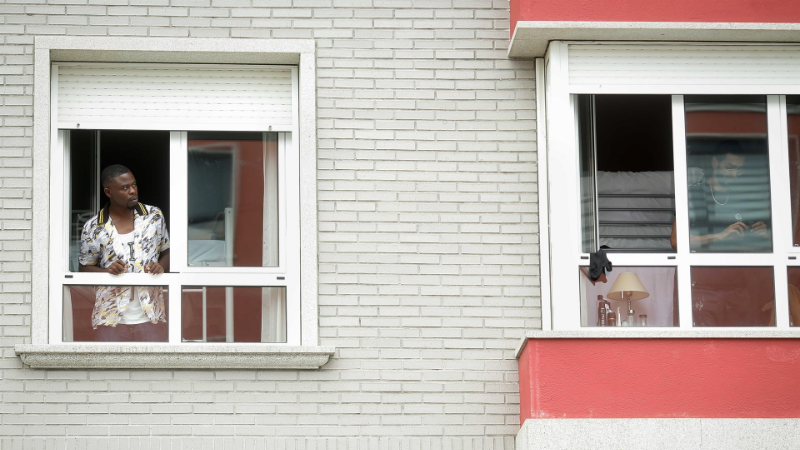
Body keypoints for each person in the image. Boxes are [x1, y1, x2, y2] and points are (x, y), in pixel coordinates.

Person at [670, 140, 773, 326]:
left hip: (738, 289)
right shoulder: (692, 195)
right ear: (715, 163)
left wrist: (764, 237)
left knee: (744, 349)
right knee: (703, 351)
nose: (734, 175)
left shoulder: (742, 199)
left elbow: (751, 247)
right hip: (702, 288)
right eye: (730, 168)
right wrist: (719, 237)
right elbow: (676, 241)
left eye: (739, 170)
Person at [79, 165, 170, 341]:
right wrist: (107, 272)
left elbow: (167, 252)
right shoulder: (93, 227)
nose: (133, 191)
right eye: (125, 188)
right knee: (109, 369)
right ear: (108, 192)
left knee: (155, 368)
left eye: (134, 185)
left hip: (151, 315)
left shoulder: (153, 216)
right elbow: (84, 268)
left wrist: (160, 266)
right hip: (109, 318)